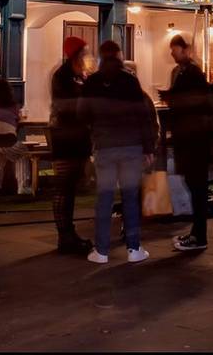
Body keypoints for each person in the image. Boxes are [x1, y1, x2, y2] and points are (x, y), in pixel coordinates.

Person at [78, 40, 157, 264]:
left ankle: (101, 250)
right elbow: (144, 116)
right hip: (131, 145)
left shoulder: (92, 82)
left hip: (105, 146)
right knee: (131, 197)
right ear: (119, 55)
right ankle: (134, 248)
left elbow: (82, 114)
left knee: (104, 198)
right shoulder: (130, 81)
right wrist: (148, 147)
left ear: (101, 57)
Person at [161, 34, 213, 252]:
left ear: (183, 50)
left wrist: (170, 98)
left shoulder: (190, 72)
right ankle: (196, 232)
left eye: (174, 50)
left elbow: (190, 101)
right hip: (193, 139)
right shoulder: (187, 72)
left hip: (194, 140)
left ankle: (199, 236)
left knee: (197, 186)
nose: (172, 54)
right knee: (195, 185)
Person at [49, 36, 93, 255]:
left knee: (69, 189)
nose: (87, 56)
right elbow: (65, 106)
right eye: (83, 52)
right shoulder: (63, 76)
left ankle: (69, 233)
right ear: (75, 55)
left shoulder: (78, 76)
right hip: (66, 139)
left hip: (76, 139)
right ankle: (64, 235)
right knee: (64, 189)